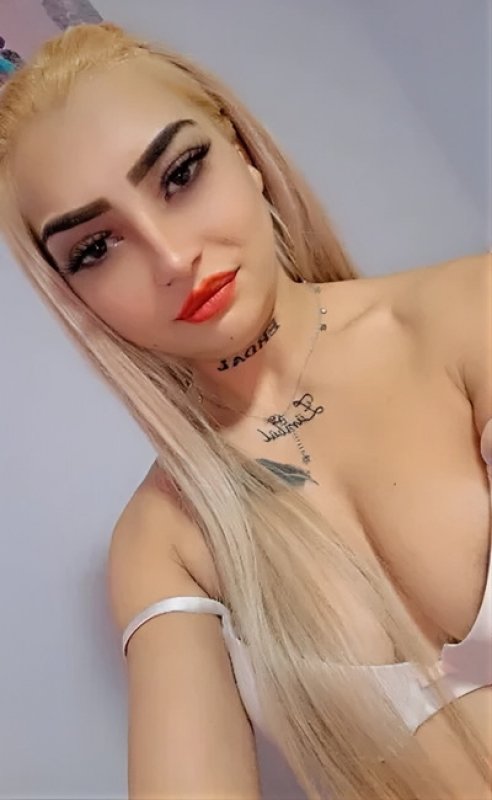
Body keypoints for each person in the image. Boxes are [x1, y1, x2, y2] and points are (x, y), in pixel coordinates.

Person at [0, 21, 490, 800]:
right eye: (95, 248)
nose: (171, 257)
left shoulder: (472, 315)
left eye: (181, 173)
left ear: (246, 155)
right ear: (74, 296)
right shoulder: (165, 537)